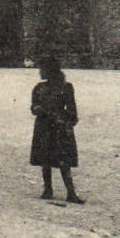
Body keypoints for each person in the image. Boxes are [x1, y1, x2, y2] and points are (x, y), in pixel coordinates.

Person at [30, 57, 83, 204]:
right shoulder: (39, 88)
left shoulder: (65, 87)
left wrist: (65, 121)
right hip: (44, 127)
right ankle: (48, 190)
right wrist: (38, 109)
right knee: (45, 159)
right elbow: (33, 107)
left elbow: (72, 110)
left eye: (42, 69)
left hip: (59, 127)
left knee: (63, 160)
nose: (40, 72)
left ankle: (70, 192)